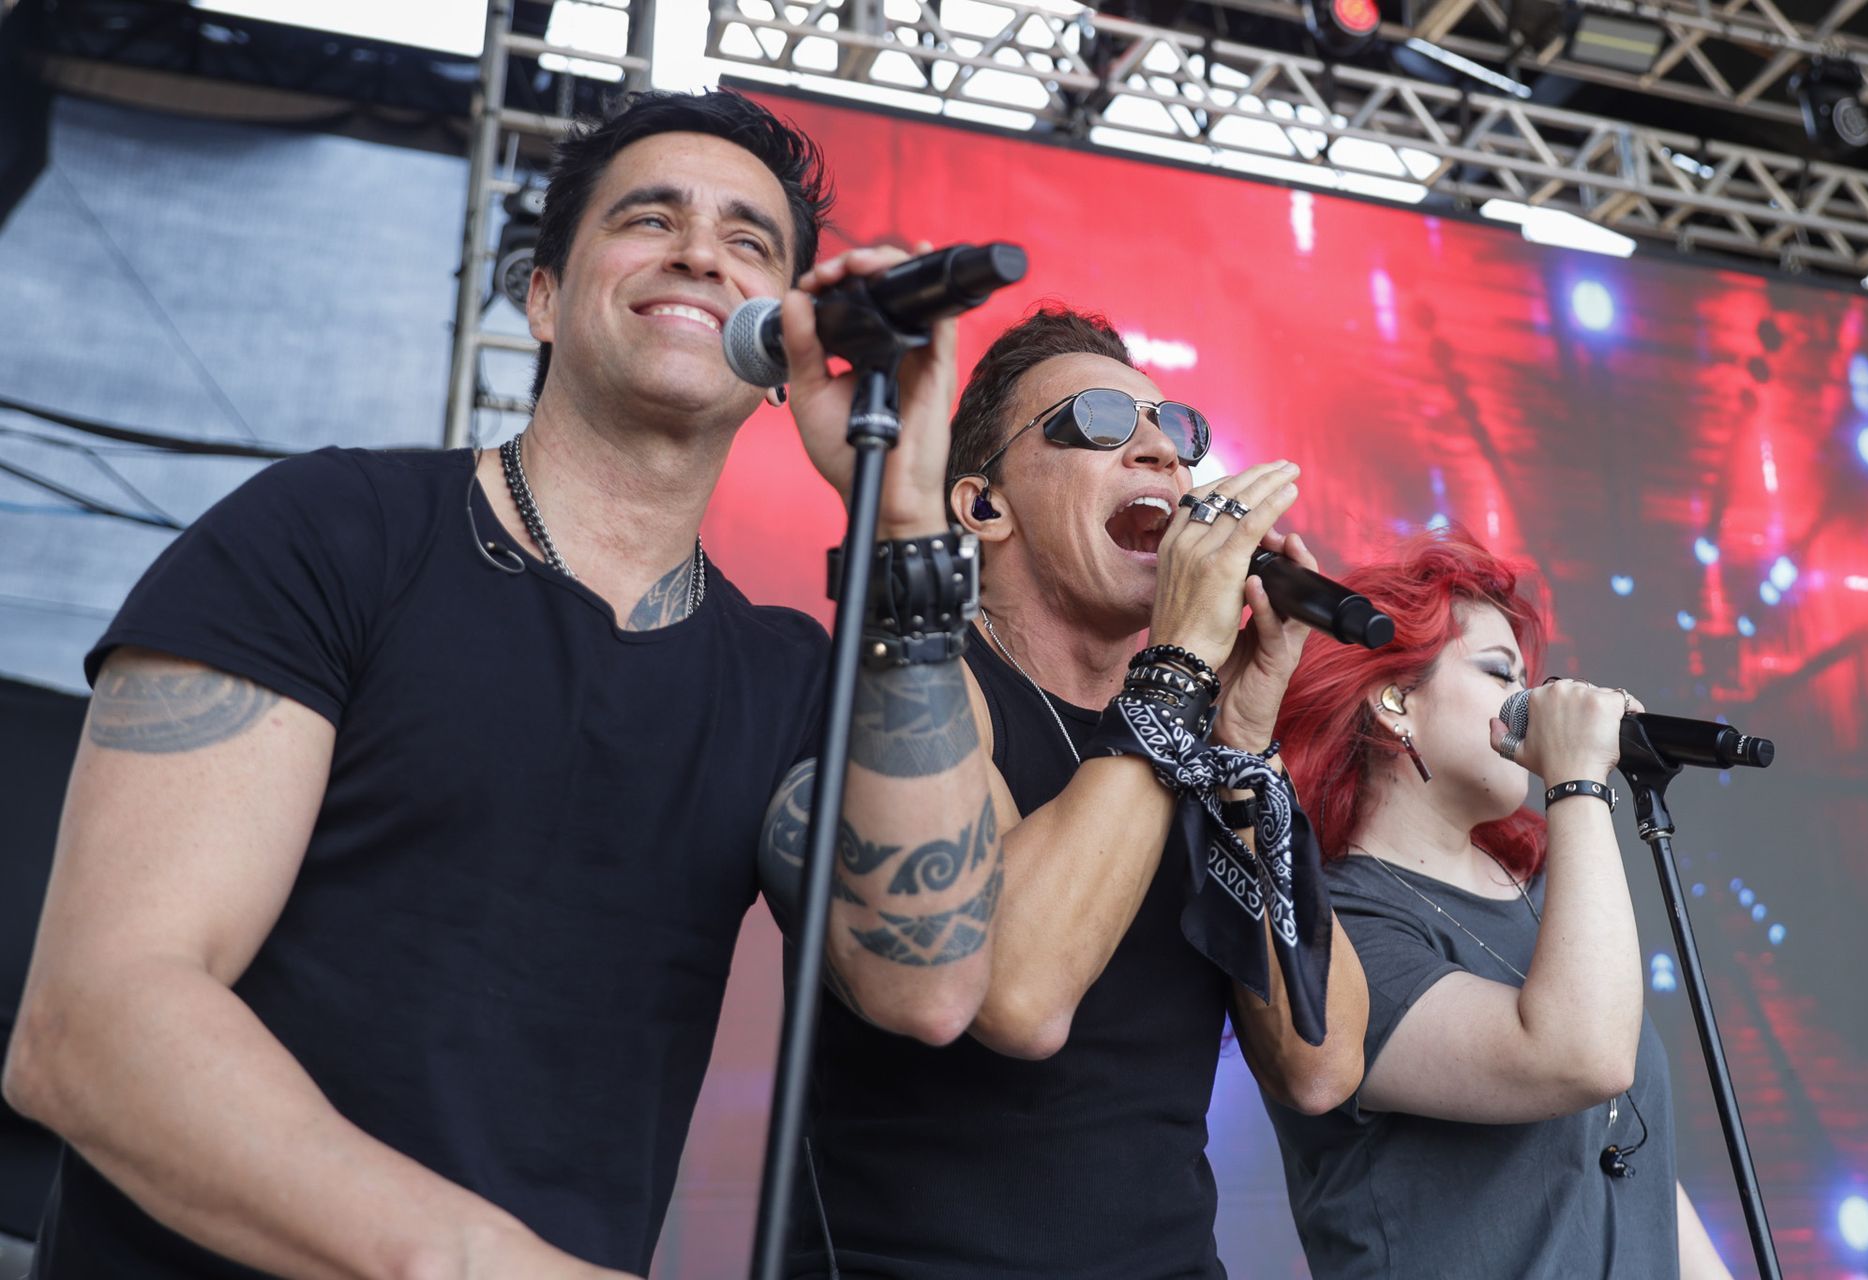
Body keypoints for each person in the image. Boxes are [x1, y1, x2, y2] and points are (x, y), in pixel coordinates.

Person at [1, 89, 1001, 1279]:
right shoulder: (331, 533)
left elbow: (929, 982)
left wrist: (901, 533)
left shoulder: (787, 680)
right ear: (540, 296)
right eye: (649, 217)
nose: (697, 250)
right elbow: (93, 1023)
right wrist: (472, 1261)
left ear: (783, 353)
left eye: (750, 243)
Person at [766, 307, 1368, 1279]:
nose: (1159, 454)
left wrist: (1245, 734)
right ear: (982, 505)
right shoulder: (916, 688)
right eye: (1094, 421)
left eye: (1176, 433)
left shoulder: (1195, 736)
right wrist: (1175, 670)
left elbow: (1321, 1062)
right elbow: (1018, 991)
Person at [1263, 530, 1732, 1279]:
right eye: (1498, 671)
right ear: (1394, 701)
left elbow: (1638, 1169)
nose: (1534, 701)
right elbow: (1577, 1057)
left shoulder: (1542, 897)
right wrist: (1578, 779)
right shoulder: (1339, 929)